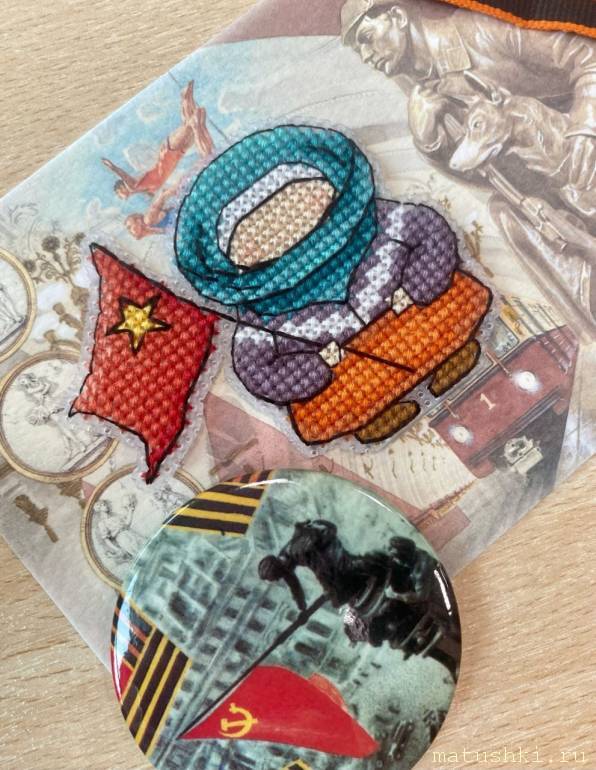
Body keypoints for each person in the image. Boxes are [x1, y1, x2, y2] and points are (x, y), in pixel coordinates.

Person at [341, 0, 596, 324]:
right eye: (357, 50)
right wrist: (430, 143)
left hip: (579, 135)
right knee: (506, 212)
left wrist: (585, 129)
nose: (366, 56)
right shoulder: (425, 95)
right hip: (555, 179)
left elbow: (587, 55)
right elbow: (485, 171)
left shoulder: (482, 29)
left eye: (365, 38)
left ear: (397, 16)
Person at [258, 519, 460, 678]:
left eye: (279, 576)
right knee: (360, 621)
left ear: (278, 567)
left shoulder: (297, 549)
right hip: (343, 571)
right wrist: (302, 609)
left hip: (345, 567)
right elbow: (295, 584)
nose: (285, 576)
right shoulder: (287, 559)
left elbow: (322, 568)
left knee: (353, 594)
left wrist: (331, 591)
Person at [102, 80, 214, 200]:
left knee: (191, 124)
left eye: (119, 194)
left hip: (168, 154)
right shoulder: (143, 189)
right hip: (176, 156)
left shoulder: (133, 187)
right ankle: (185, 97)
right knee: (190, 124)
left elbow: (123, 175)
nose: (120, 197)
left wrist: (112, 166)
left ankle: (185, 98)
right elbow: (156, 193)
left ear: (121, 188)